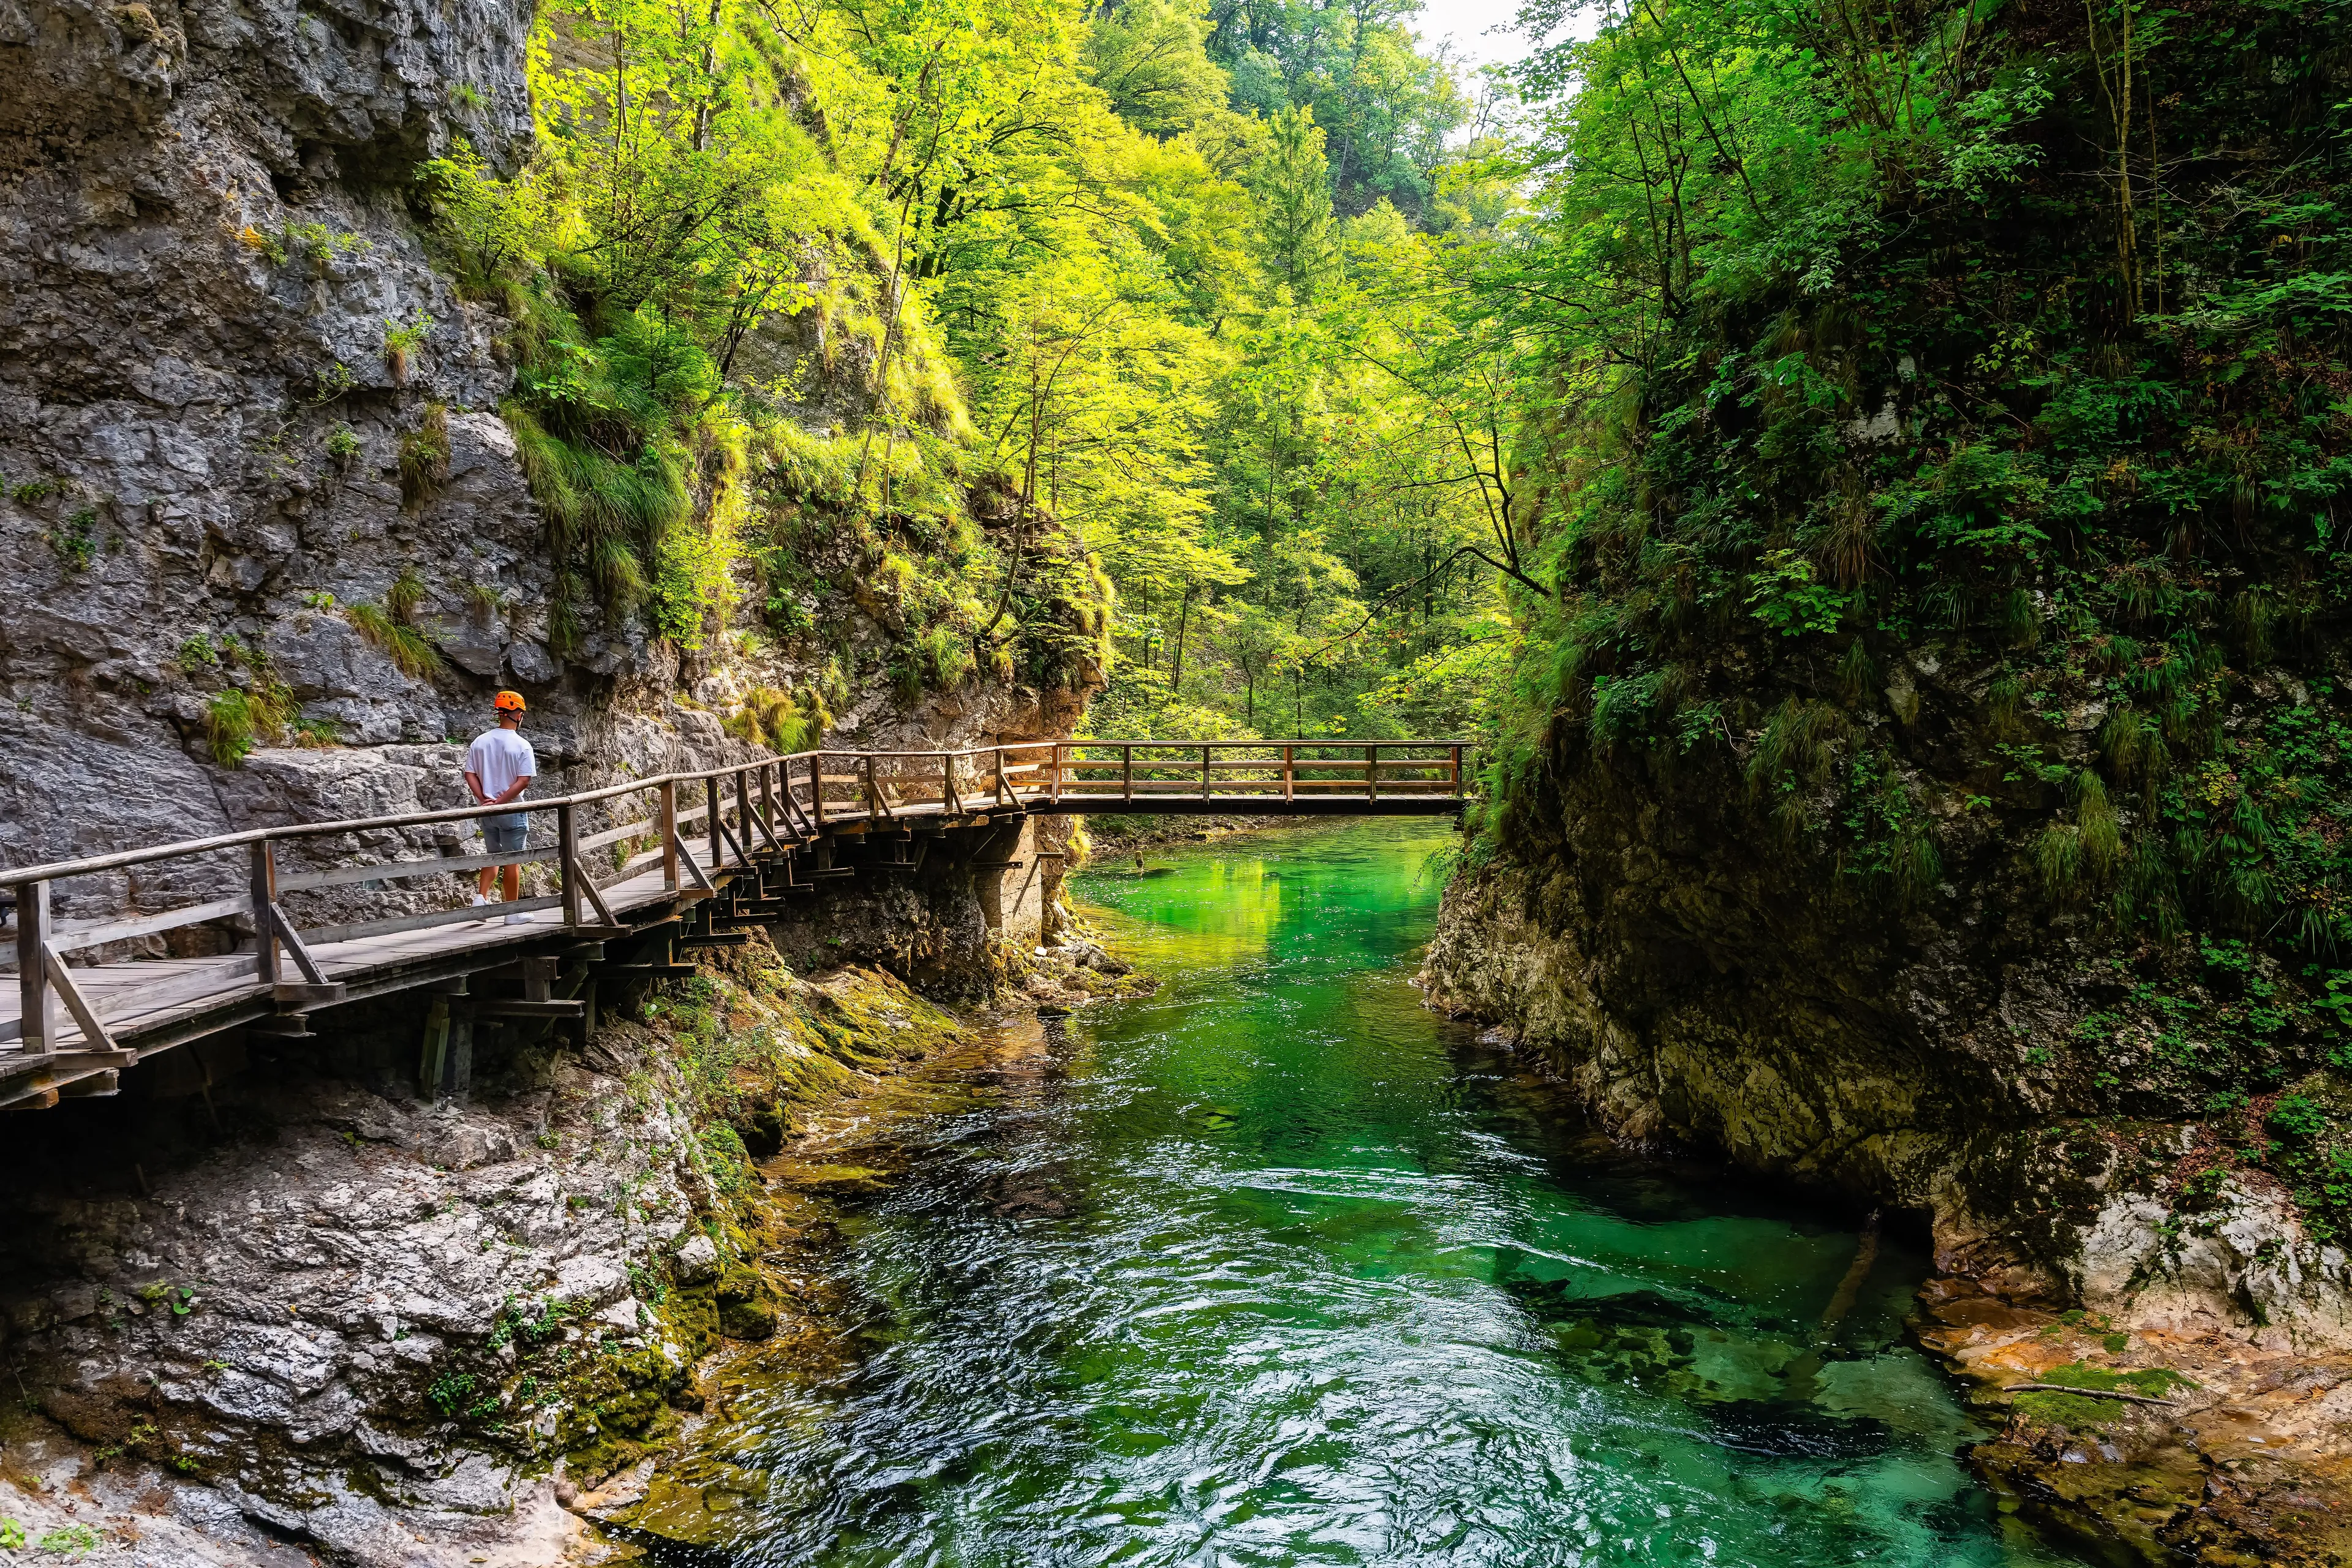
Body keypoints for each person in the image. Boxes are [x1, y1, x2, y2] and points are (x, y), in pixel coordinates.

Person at [464, 691, 537, 925]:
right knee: (512, 861)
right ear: (518, 714)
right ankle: (512, 912)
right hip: (511, 810)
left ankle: (480, 899)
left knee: (493, 855)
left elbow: (470, 774)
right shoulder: (522, 745)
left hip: (486, 810)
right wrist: (502, 801)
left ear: (500, 713)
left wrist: (485, 799)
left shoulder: (480, 741)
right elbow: (523, 780)